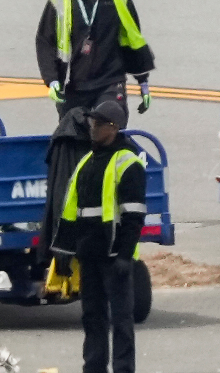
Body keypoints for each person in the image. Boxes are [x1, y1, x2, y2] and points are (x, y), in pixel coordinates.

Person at [50, 100, 148, 373]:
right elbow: (70, 211)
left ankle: (123, 369)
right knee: (92, 318)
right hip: (90, 255)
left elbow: (134, 216)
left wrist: (125, 256)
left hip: (115, 257)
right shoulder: (86, 163)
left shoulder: (128, 163)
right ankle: (93, 368)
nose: (92, 128)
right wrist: (64, 252)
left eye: (98, 124)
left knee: (121, 320)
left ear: (114, 128)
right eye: (92, 123)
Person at [36, 0, 156, 118]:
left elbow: (133, 38)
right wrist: (51, 80)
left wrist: (143, 82)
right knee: (71, 139)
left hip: (110, 82)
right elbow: (45, 41)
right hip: (74, 85)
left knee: (107, 128)